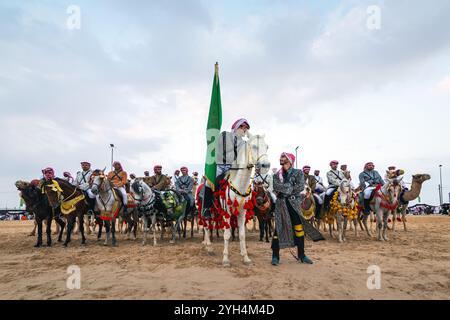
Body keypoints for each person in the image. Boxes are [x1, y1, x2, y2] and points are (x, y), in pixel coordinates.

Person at [202, 118, 251, 218]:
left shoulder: (244, 143)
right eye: (243, 128)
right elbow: (213, 144)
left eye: (246, 129)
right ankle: (206, 208)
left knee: (249, 183)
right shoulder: (224, 135)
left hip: (234, 169)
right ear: (237, 127)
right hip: (219, 166)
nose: (245, 131)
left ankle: (248, 207)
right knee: (208, 183)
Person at [271, 152, 314, 266]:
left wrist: (285, 189)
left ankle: (302, 255)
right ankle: (275, 256)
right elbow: (276, 187)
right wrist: (289, 188)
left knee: (299, 229)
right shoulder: (276, 175)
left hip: (294, 204)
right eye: (280, 157)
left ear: (289, 160)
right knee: (278, 230)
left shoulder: (298, 173)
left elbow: (300, 186)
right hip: (281, 204)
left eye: (283, 157)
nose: (281, 159)